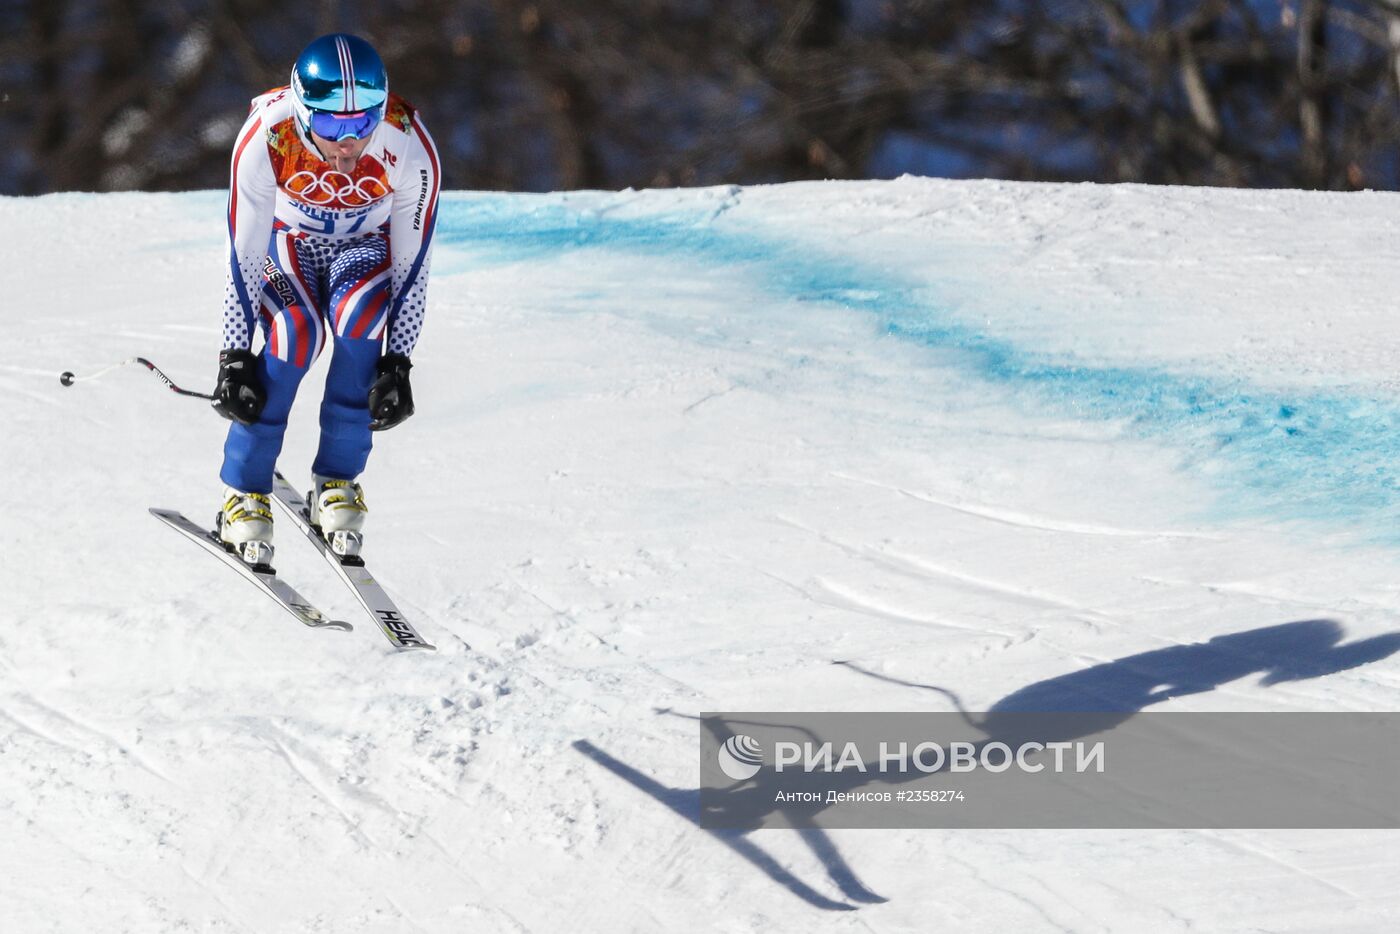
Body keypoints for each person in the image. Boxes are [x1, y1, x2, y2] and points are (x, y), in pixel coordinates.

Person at [210, 33, 440, 565]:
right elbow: (242, 253)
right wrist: (233, 357)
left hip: (363, 245)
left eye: (363, 123)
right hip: (287, 244)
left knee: (361, 320)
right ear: (300, 107)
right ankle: (242, 489)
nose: (348, 141)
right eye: (332, 124)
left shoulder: (407, 143)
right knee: (294, 336)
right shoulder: (267, 135)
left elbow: (413, 263)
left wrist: (399, 362)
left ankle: (338, 478)